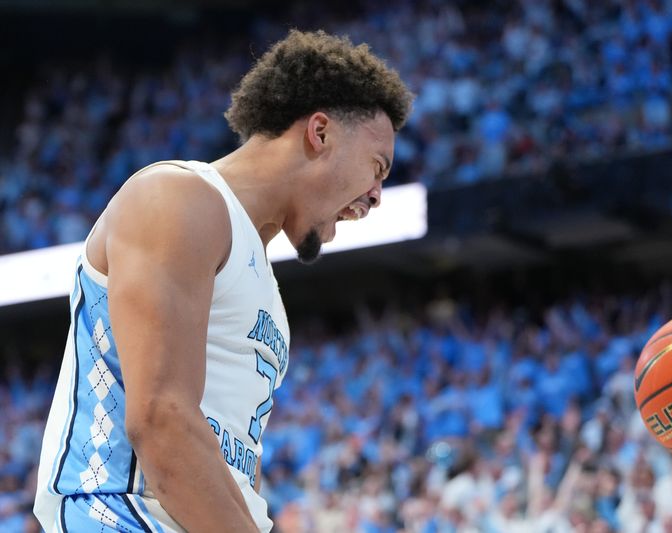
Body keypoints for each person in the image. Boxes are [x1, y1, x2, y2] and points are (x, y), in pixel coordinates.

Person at [33, 29, 413, 532]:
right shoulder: (177, 198)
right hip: (120, 513)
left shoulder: (261, 284)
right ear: (319, 132)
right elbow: (162, 423)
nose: (376, 195)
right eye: (377, 167)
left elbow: (232, 465)